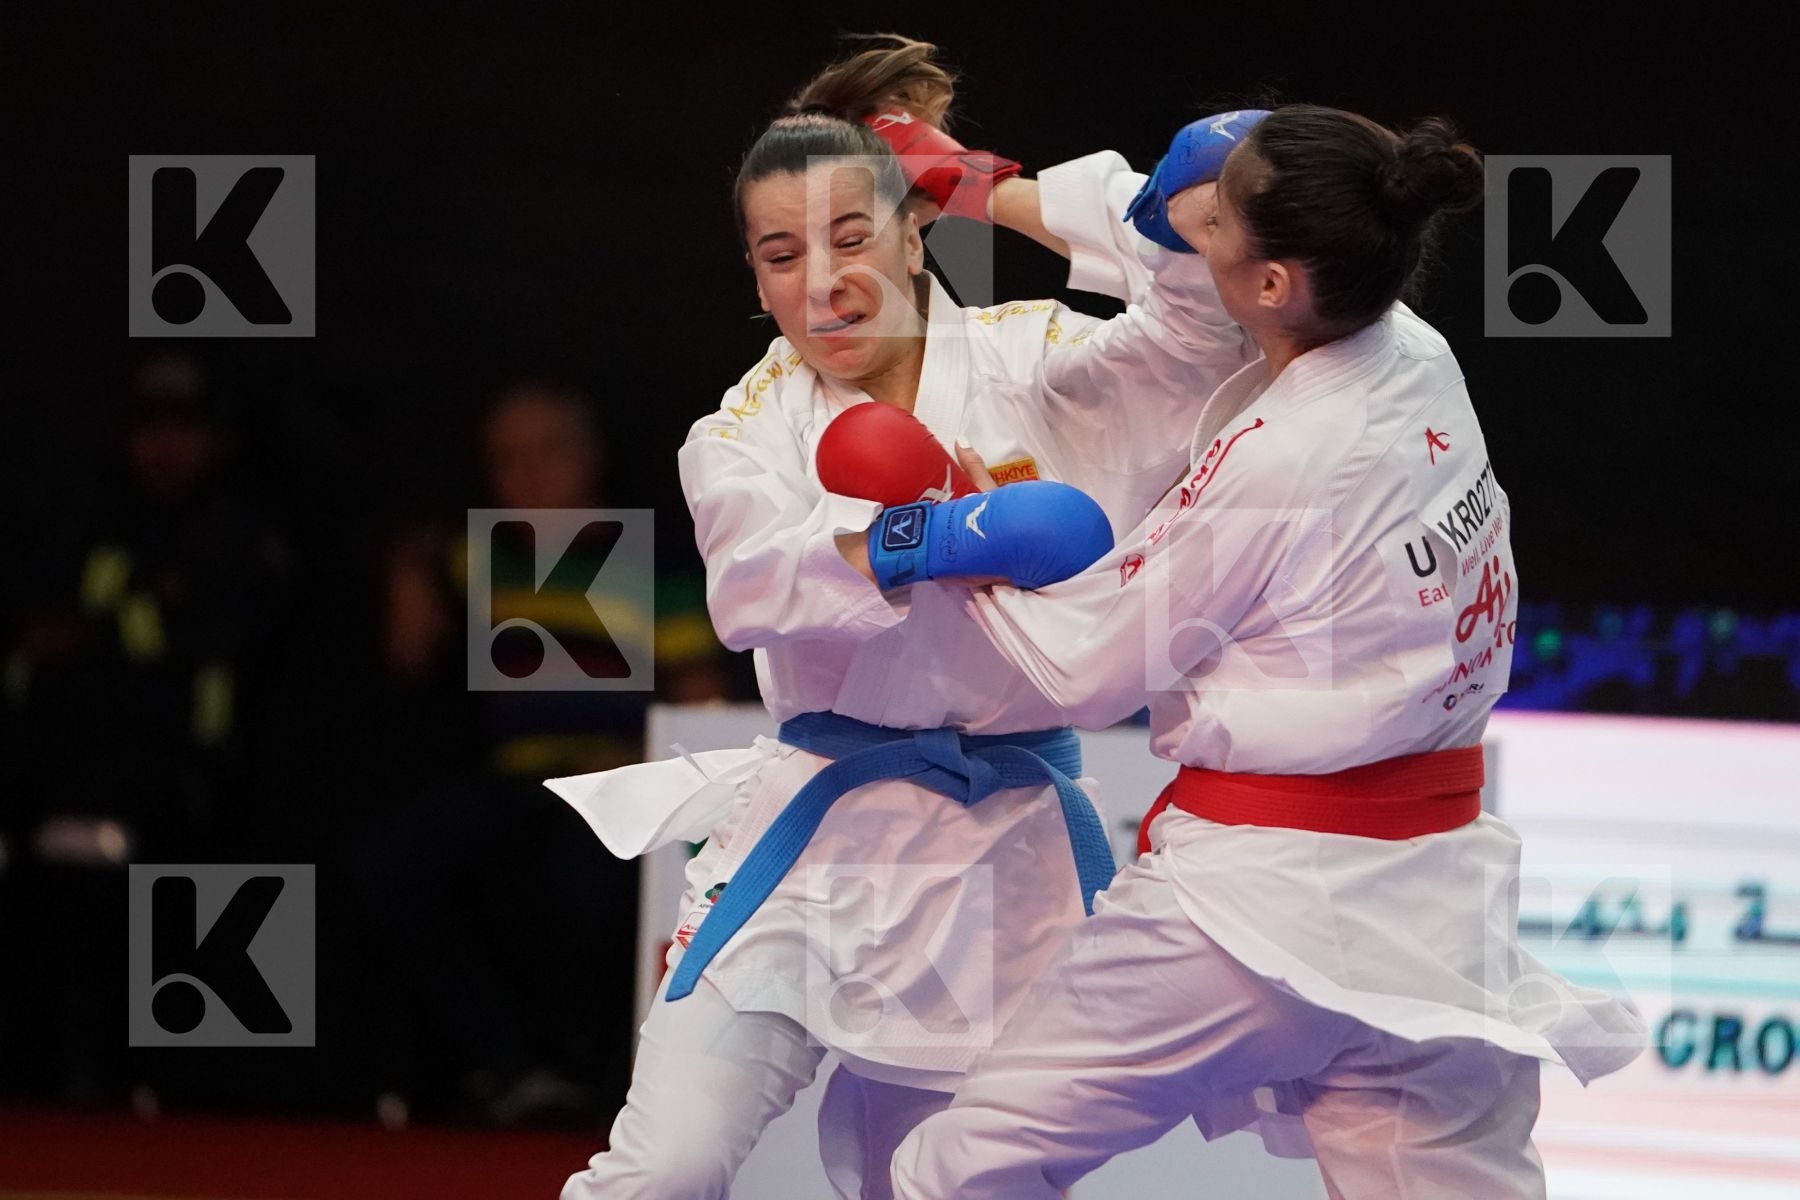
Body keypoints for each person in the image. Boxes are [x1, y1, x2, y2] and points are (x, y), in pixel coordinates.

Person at [876, 106, 1647, 1199]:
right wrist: (977, 186)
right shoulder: (1409, 347)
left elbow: (1093, 667)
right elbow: (1169, 233)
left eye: (1220, 211)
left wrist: (949, 541)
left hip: (1251, 916)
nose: (1186, 215)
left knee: (955, 1172)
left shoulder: (1286, 455)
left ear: (1275, 282)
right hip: (1435, 901)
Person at [550, 35, 1256, 1200]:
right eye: (782, 257)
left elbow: (1208, 327)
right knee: (663, 1172)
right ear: (755, 278)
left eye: (849, 239)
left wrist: (1040, 195)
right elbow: (749, 588)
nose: (821, 282)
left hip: (1004, 865)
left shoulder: (1040, 360)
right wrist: (925, 540)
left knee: (938, 1187)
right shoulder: (738, 431)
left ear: (915, 233)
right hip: (812, 853)